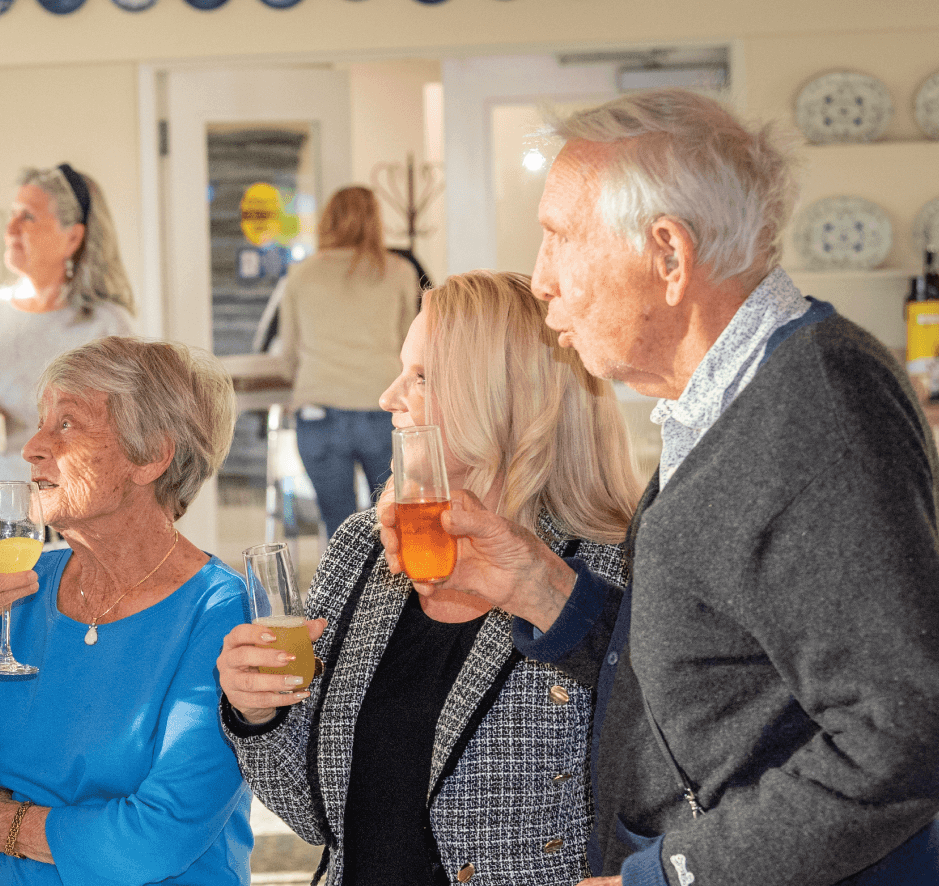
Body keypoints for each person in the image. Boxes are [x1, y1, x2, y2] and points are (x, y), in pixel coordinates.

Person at [387, 89, 939, 886]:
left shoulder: (816, 405)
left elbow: (903, 734)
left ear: (668, 257)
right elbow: (725, 675)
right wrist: (547, 593)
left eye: (558, 239)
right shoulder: (726, 399)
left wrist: (675, 873)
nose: (539, 280)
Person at [217, 271, 641, 886]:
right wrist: (258, 711)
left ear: (504, 398)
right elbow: (317, 817)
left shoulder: (605, 574)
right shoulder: (366, 548)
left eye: (420, 377)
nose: (389, 397)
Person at [0, 336, 252, 885]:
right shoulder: (22, 586)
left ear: (152, 455)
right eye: (42, 421)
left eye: (66, 424)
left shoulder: (220, 611)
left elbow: (154, 839)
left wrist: (3, 826)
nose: (32, 448)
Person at [0, 164, 136, 665]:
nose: (10, 229)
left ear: (72, 236)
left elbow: (125, 443)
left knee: (39, 699)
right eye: (12, 215)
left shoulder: (105, 326)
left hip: (56, 553)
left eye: (28, 217)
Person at [274, 185, 422, 539]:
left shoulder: (301, 274)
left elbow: (288, 353)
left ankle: (343, 594)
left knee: (339, 529)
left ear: (327, 219)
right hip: (383, 409)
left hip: (319, 411)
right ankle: (395, 595)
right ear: (375, 221)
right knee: (394, 524)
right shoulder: (399, 271)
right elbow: (413, 349)